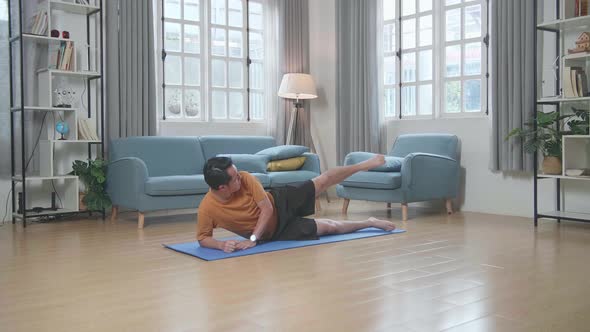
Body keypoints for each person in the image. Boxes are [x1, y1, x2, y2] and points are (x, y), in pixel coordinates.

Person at [197, 154, 396, 253]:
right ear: (222, 188)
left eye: (237, 172)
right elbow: (203, 238)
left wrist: (252, 238)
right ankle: (369, 222)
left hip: (280, 202)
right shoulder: (208, 208)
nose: (239, 177)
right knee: (329, 228)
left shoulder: (246, 178)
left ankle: (364, 165)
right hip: (277, 232)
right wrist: (222, 244)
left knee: (322, 181)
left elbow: (266, 207)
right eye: (234, 178)